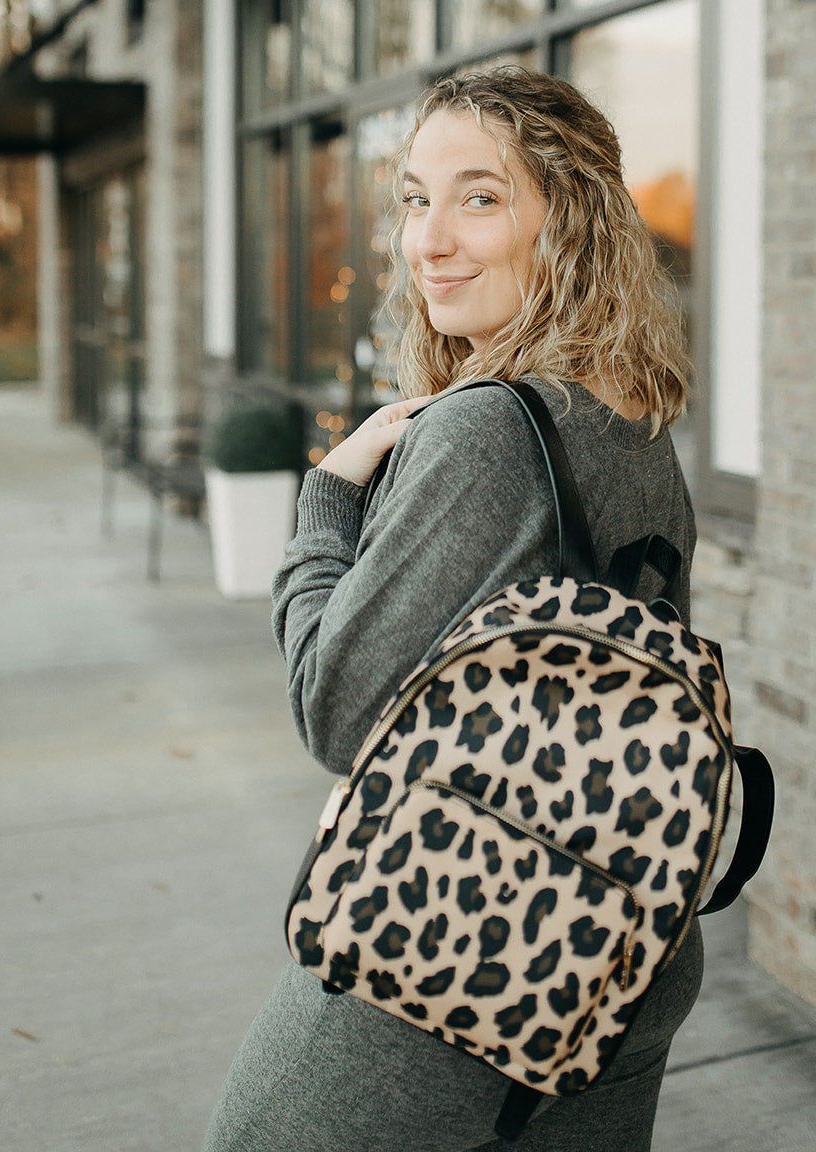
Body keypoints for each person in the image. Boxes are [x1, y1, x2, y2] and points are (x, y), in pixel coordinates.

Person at [202, 67, 702, 1152]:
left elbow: (335, 710)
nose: (429, 240)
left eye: (477, 196)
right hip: (627, 940)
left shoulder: (482, 433)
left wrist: (329, 495)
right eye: (415, 199)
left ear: (567, 222)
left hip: (459, 936)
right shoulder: (633, 417)